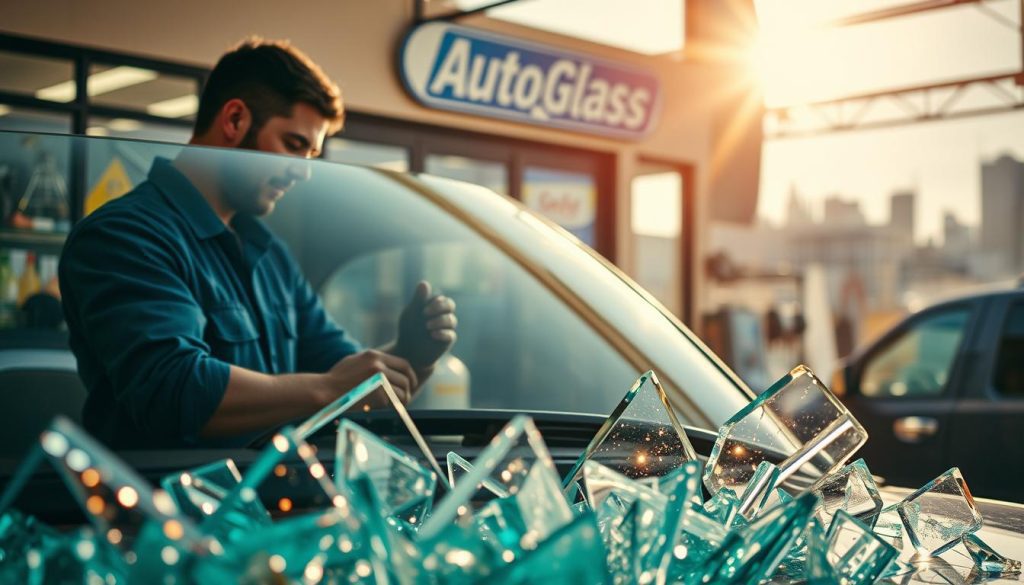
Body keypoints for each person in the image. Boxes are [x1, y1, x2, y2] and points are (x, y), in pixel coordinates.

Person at [58, 38, 457, 449]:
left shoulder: (270, 255)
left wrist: (410, 353)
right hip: (162, 508)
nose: (303, 173)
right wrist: (327, 389)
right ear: (234, 120)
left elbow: (340, 375)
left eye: (311, 155)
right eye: (294, 145)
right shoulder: (125, 236)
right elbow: (174, 390)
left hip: (272, 505)